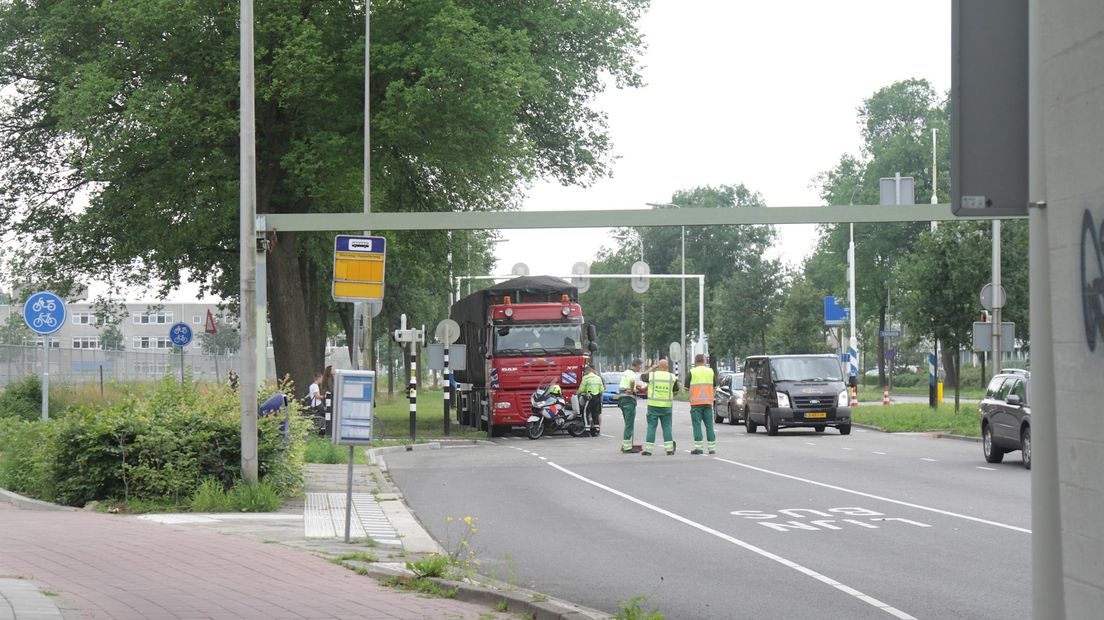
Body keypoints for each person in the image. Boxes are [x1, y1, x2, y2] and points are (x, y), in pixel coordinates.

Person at [642, 359, 679, 456]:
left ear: (658, 366)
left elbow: (642, 376)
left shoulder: (652, 375)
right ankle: (669, 450)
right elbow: (676, 391)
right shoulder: (672, 377)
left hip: (653, 405)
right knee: (667, 427)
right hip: (666, 406)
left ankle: (648, 450)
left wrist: (652, 368)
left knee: (651, 427)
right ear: (667, 367)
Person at [688, 354, 717, 455]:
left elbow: (686, 387)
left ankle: (699, 448)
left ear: (696, 361)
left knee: (697, 425)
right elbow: (715, 386)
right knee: (709, 425)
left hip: (696, 404)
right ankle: (711, 448)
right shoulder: (710, 371)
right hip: (708, 403)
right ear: (705, 361)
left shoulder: (692, 372)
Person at [618, 359, 644, 452]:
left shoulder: (626, 372)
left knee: (627, 423)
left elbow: (626, 384)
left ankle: (628, 444)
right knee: (629, 424)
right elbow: (632, 381)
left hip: (622, 399)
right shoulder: (633, 375)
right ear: (636, 365)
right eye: (640, 367)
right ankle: (627, 447)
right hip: (628, 400)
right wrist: (633, 388)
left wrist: (635, 387)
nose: (640, 368)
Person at [576, 362, 604, 435]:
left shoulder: (586, 378)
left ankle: (587, 430)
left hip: (589, 397)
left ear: (587, 371)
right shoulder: (598, 378)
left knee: (585, 413)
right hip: (597, 398)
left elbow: (581, 389)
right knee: (595, 413)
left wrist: (577, 392)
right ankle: (596, 430)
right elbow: (602, 389)